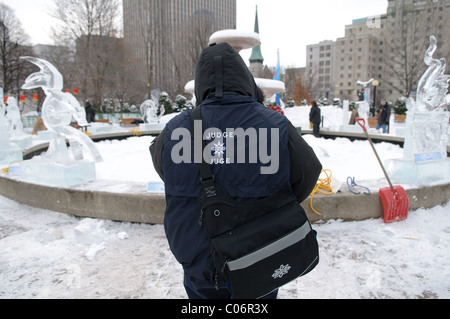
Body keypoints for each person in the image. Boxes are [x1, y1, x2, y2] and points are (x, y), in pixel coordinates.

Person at [150, 43, 322, 299]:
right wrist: (274, 197)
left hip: (200, 260)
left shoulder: (175, 129)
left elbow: (165, 169)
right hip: (262, 254)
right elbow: (308, 173)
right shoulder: (275, 125)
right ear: (245, 78)